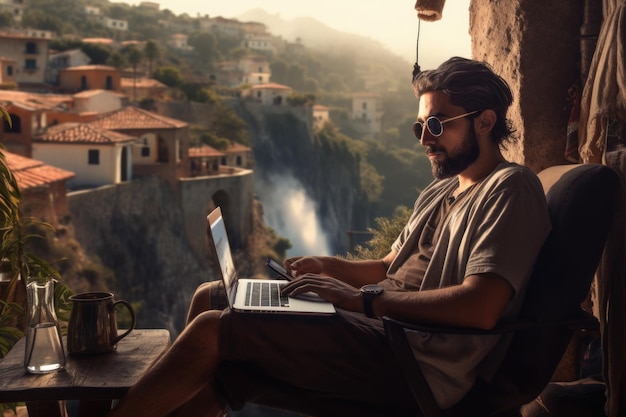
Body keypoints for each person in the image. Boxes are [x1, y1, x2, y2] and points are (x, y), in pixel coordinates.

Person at [107, 57, 551, 417]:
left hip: (415, 357)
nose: (424, 140)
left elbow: (481, 307)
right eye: (420, 127)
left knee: (211, 330)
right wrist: (328, 269)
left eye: (437, 125)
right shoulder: (442, 188)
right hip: (380, 328)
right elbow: (387, 268)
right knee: (212, 298)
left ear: (485, 122)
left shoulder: (509, 188)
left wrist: (361, 301)